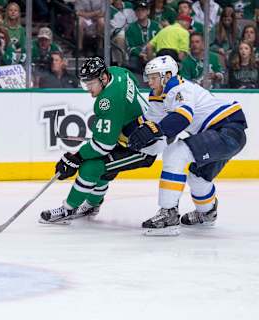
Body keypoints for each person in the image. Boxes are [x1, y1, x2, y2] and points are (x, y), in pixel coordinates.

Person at [128, 55, 247, 236]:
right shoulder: (159, 94)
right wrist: (122, 134)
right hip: (223, 134)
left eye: (153, 77)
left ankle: (168, 213)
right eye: (148, 77)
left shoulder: (180, 88)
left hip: (227, 131)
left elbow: (182, 118)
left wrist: (153, 131)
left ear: (167, 76)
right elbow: (148, 121)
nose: (149, 82)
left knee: (175, 153)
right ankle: (207, 212)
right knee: (197, 177)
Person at [40, 57, 156, 224]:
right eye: (85, 84)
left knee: (90, 167)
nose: (88, 89)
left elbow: (103, 146)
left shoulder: (107, 101)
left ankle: (68, 209)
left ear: (103, 78)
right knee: (102, 163)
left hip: (143, 148)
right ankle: (92, 205)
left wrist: (76, 157)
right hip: (138, 134)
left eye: (91, 83)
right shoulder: (119, 72)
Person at [125, 1, 160, 74]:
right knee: (133, 62)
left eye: (143, 10)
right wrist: (140, 54)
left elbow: (160, 43)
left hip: (154, 54)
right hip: (138, 56)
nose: (140, 12)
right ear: (135, 13)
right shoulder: (130, 28)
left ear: (148, 11)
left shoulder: (156, 26)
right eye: (138, 10)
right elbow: (129, 47)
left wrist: (153, 54)